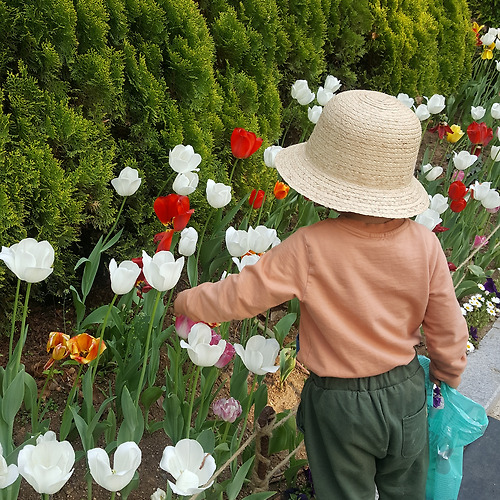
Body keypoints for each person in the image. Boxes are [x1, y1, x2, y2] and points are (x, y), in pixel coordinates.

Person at [173, 90, 468, 500]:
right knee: (408, 491)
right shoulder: (424, 244)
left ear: (327, 178)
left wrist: (188, 301)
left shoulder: (310, 246)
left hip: (340, 404)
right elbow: (447, 324)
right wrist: (448, 372)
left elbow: (243, 294)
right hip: (406, 393)